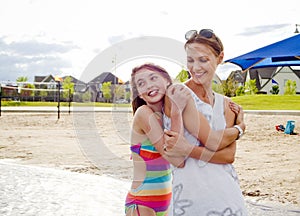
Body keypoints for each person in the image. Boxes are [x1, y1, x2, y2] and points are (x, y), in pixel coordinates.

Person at [125, 63, 245, 216]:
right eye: (141, 83)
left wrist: (237, 120)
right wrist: (176, 110)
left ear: (167, 81)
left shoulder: (167, 116)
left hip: (169, 202)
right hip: (143, 203)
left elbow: (211, 138)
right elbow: (178, 160)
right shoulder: (144, 114)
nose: (149, 85)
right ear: (139, 94)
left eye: (153, 78)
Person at [163, 29, 248, 215]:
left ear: (220, 58)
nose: (195, 67)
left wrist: (187, 149)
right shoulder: (178, 93)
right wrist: (240, 127)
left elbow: (228, 156)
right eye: (190, 60)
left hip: (228, 196)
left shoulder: (227, 104)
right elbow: (212, 141)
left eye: (203, 59)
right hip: (190, 198)